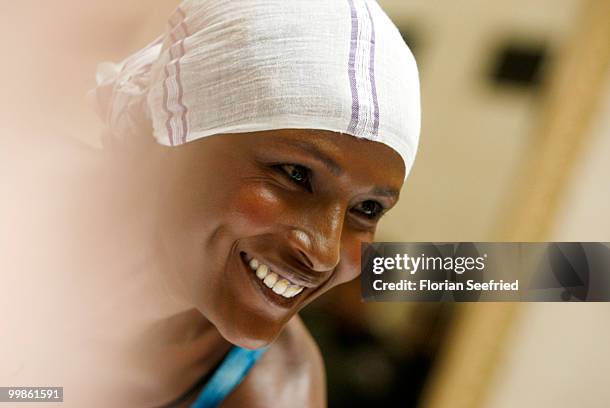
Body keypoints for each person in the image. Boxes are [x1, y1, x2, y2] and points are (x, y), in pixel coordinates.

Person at [1, 0, 420, 406]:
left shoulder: (270, 391)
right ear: (169, 123)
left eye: (367, 209)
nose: (324, 253)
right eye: (295, 174)